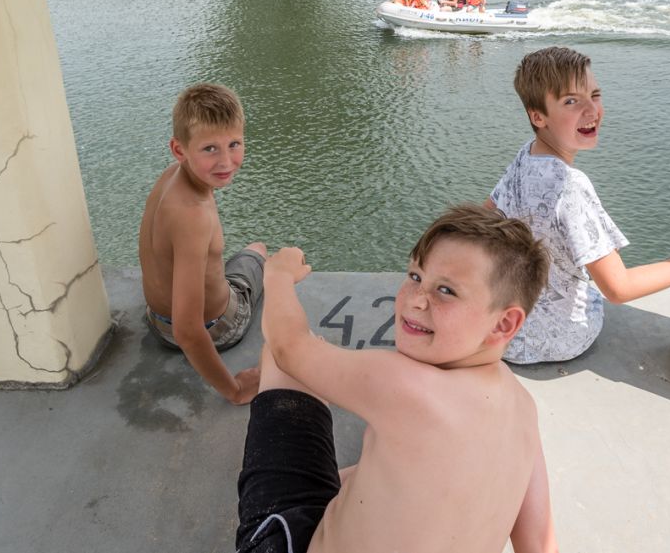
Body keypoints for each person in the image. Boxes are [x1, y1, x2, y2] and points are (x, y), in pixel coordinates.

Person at [235, 204, 557, 553]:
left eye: (446, 290)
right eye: (416, 276)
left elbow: (289, 346)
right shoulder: (523, 408)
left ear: (503, 324)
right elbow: (539, 545)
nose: (417, 300)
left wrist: (278, 275)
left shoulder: (405, 384)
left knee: (280, 363)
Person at [485, 46, 670, 364]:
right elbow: (618, 288)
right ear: (538, 116)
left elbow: (485, 218)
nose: (592, 111)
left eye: (595, 94)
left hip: (508, 327)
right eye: (571, 101)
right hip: (559, 337)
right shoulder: (570, 187)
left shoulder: (527, 154)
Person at [138, 83, 268, 405]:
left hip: (156, 319)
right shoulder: (193, 215)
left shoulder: (170, 178)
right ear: (179, 149)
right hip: (214, 329)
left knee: (226, 259)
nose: (226, 161)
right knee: (259, 251)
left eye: (234, 144)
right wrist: (234, 389)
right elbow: (187, 331)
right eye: (210, 149)